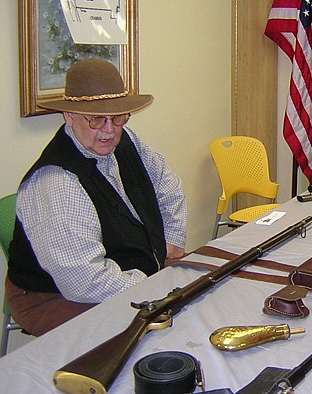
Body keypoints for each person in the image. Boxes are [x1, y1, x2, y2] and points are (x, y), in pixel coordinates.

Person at [6, 58, 187, 336]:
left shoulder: (127, 140)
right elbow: (84, 281)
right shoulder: (57, 183)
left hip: (128, 273)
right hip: (52, 296)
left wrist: (170, 243)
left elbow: (168, 187)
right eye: (96, 119)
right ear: (69, 116)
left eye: (117, 117)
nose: (109, 130)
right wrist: (152, 283)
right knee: (148, 333)